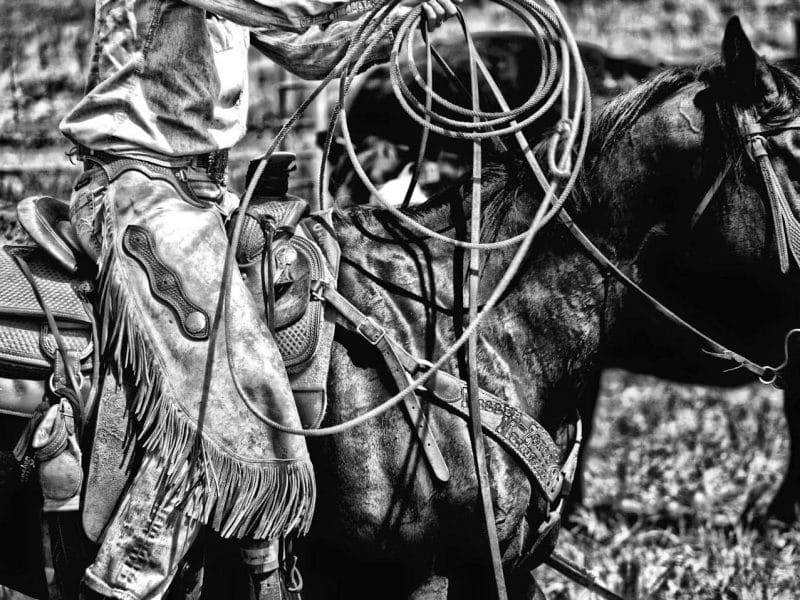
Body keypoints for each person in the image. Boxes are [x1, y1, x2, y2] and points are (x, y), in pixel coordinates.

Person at [58, 1, 460, 599]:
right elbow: (293, 9)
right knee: (236, 388)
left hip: (202, 192)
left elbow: (308, 48)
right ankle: (125, 579)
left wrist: (393, 25)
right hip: (140, 194)